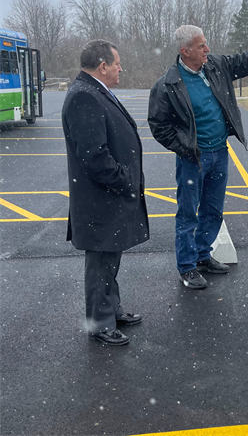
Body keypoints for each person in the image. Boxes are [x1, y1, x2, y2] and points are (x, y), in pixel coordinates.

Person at [148, 25, 248, 290]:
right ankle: (187, 267)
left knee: (213, 210)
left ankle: (203, 255)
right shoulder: (167, 84)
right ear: (185, 50)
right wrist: (186, 148)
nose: (207, 49)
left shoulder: (215, 66)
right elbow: (159, 126)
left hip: (220, 153)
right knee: (188, 214)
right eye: (201, 46)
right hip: (193, 159)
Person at [62, 40, 149, 346]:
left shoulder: (93, 91)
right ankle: (99, 323)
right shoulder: (84, 97)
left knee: (109, 261)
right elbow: (94, 157)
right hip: (100, 201)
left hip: (107, 199)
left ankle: (111, 310)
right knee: (100, 263)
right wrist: (125, 182)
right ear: (102, 66)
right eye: (117, 63)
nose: (120, 68)